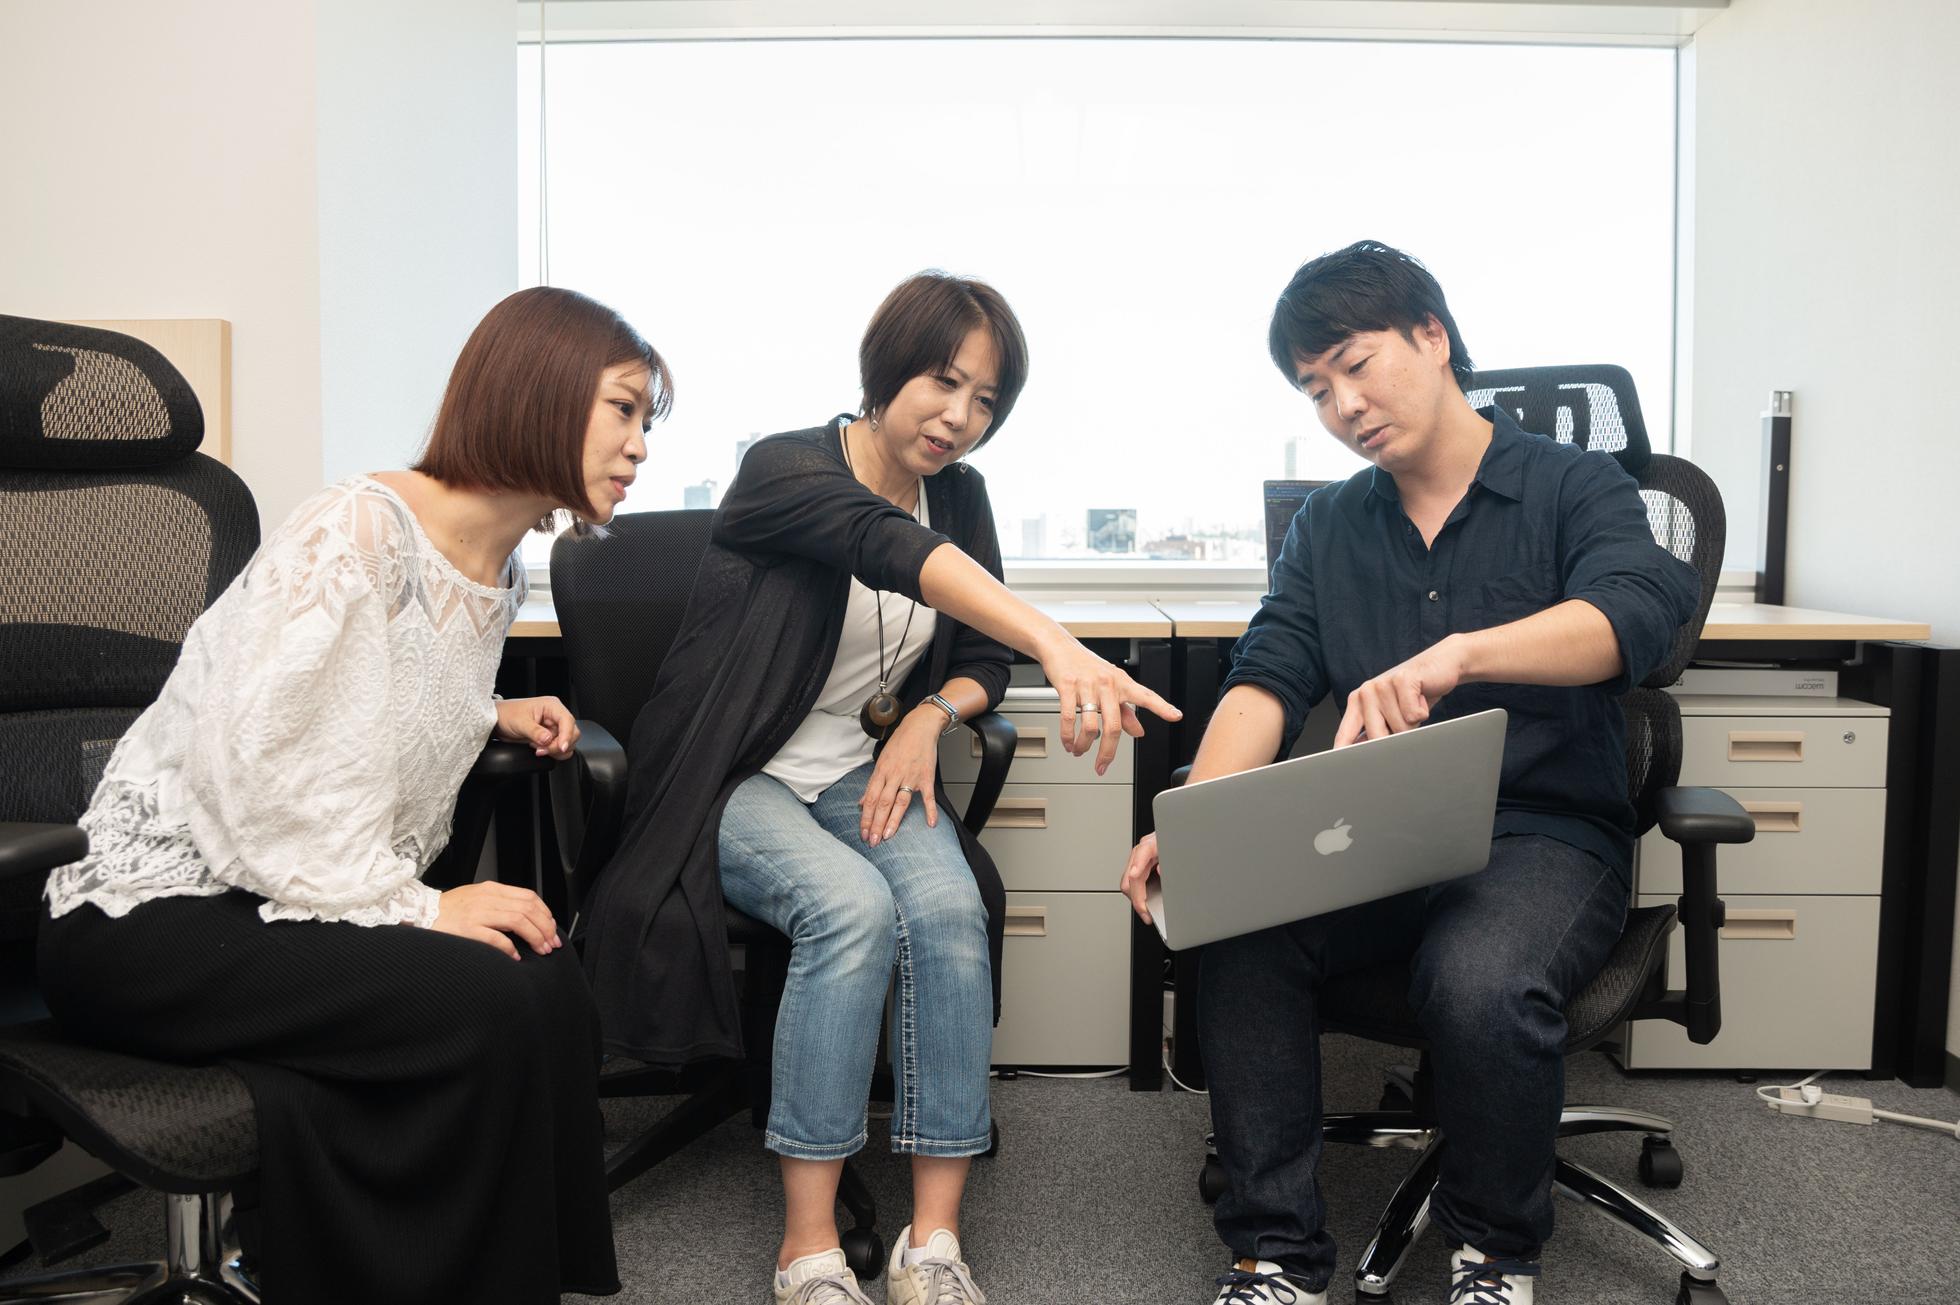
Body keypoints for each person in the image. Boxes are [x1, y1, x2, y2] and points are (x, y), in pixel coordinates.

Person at [37, 285, 670, 1304]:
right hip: (150, 916)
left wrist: (489, 711)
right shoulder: (356, 529)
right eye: (624, 410)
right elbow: (253, 772)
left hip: (277, 897)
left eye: (648, 421)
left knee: (548, 976)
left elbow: (380, 694)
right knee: (483, 997)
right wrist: (420, 908)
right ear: (540, 392)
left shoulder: (495, 568)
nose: (640, 445)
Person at [579, 270, 1181, 1305]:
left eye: (985, 399)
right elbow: (886, 545)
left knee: (946, 909)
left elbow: (979, 662)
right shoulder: (783, 468)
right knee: (850, 908)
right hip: (733, 771)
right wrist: (1054, 639)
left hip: (858, 768)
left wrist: (927, 716)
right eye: (943, 382)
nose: (959, 417)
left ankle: (931, 1245)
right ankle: (808, 1253)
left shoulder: (963, 494)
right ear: (886, 369)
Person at [1118, 241, 1700, 1305]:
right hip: (1378, 832)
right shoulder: (1331, 525)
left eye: (1356, 364)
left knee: (1477, 978)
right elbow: (1267, 676)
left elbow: (1633, 616)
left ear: (1432, 337)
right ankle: (1276, 1256)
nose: (1343, 404)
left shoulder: (1575, 486)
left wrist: (1463, 653)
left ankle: (1493, 1252)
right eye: (1315, 388)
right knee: (1237, 927)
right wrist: (1198, 821)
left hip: (1540, 834)